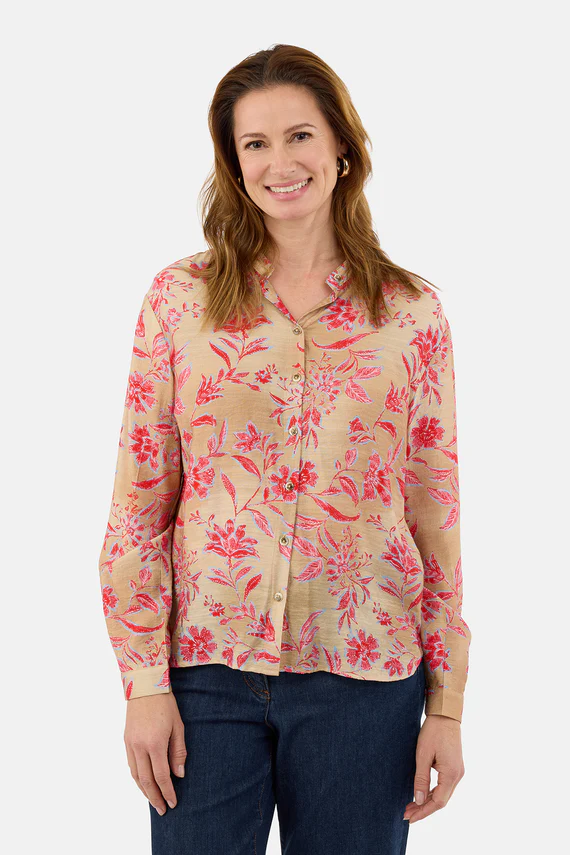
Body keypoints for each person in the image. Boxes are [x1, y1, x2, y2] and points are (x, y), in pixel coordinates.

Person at [98, 43, 471, 855]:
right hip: (205, 674)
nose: (281, 162)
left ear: (342, 147)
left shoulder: (412, 315)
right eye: (256, 144)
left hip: (365, 679)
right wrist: (143, 683)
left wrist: (446, 702)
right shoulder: (180, 301)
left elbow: (434, 513)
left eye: (300, 135)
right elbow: (139, 504)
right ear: (235, 165)